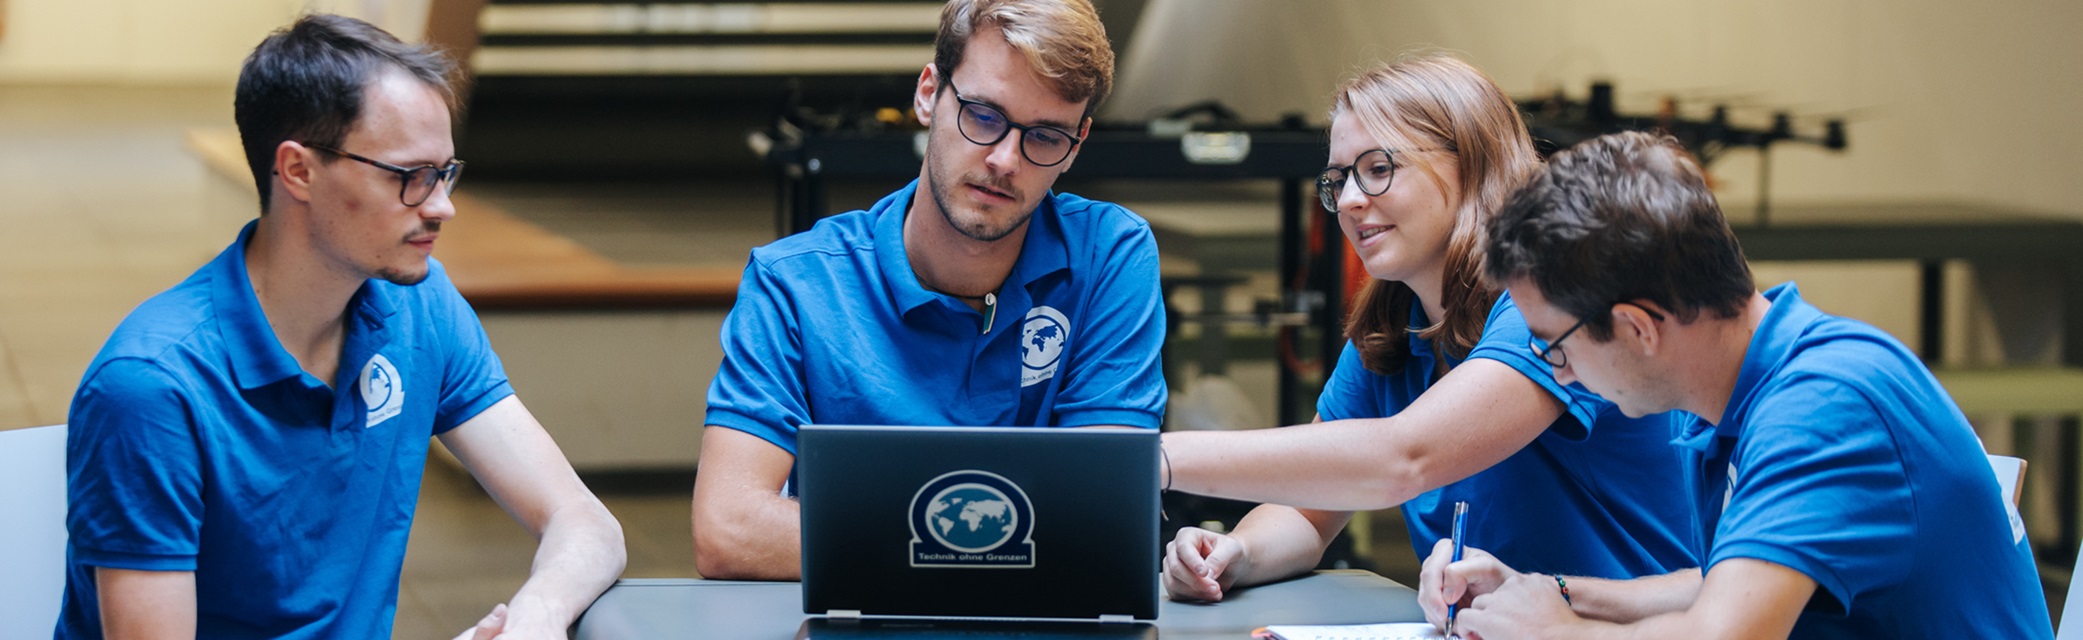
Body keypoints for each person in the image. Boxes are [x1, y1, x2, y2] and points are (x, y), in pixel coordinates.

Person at [57, 14, 626, 639]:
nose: (442, 205)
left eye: (444, 172)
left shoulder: (418, 306)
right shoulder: (152, 388)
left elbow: (584, 523)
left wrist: (534, 619)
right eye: (408, 176)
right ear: (298, 171)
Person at [1434, 131, 2051, 638]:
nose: (1554, 366)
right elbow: (1722, 582)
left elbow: (1726, 635)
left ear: (1638, 328)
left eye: (1553, 345)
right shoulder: (1726, 398)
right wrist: (1549, 593)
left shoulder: (1825, 406)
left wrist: (1556, 632)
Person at [1156, 54, 1695, 603]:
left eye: (1378, 168)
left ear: (1472, 164)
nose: (1347, 200)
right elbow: (1309, 505)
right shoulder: (1396, 324)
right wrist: (1236, 553)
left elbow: (1403, 457)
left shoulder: (1547, 299)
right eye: (1338, 180)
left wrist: (1158, 459)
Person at [691, 0, 1164, 580]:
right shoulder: (794, 283)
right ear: (927, 94)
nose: (1005, 160)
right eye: (983, 116)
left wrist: (881, 538)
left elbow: (1108, 520)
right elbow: (728, 530)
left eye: (1045, 136)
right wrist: (986, 537)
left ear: (1078, 142)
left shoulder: (1108, 254)